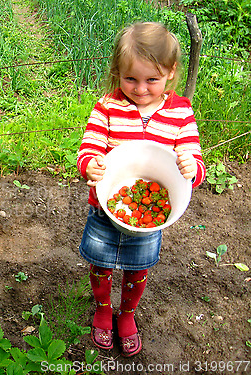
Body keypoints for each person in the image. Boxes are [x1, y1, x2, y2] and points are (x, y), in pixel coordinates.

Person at [76, 22, 206, 356]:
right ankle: (104, 308)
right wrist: (90, 164)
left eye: (152, 80)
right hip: (106, 208)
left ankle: (128, 312)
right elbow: (89, 146)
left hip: (149, 220)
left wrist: (190, 168)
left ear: (171, 73)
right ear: (118, 72)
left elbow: (192, 156)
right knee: (101, 263)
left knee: (138, 267)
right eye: (131, 78)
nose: (141, 89)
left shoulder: (180, 112)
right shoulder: (108, 106)